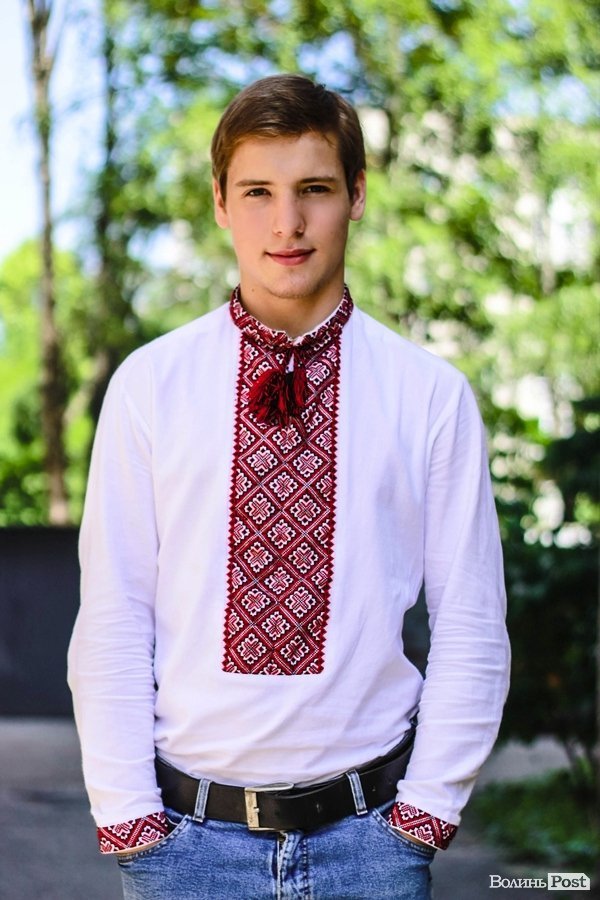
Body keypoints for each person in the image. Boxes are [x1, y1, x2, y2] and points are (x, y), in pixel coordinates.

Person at [68, 74, 510, 900]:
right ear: (220, 203)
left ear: (357, 195)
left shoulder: (429, 394)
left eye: (314, 189)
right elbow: (116, 610)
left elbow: (472, 618)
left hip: (371, 847)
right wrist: (130, 818)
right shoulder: (151, 385)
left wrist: (425, 814)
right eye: (258, 192)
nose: (287, 223)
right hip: (185, 851)